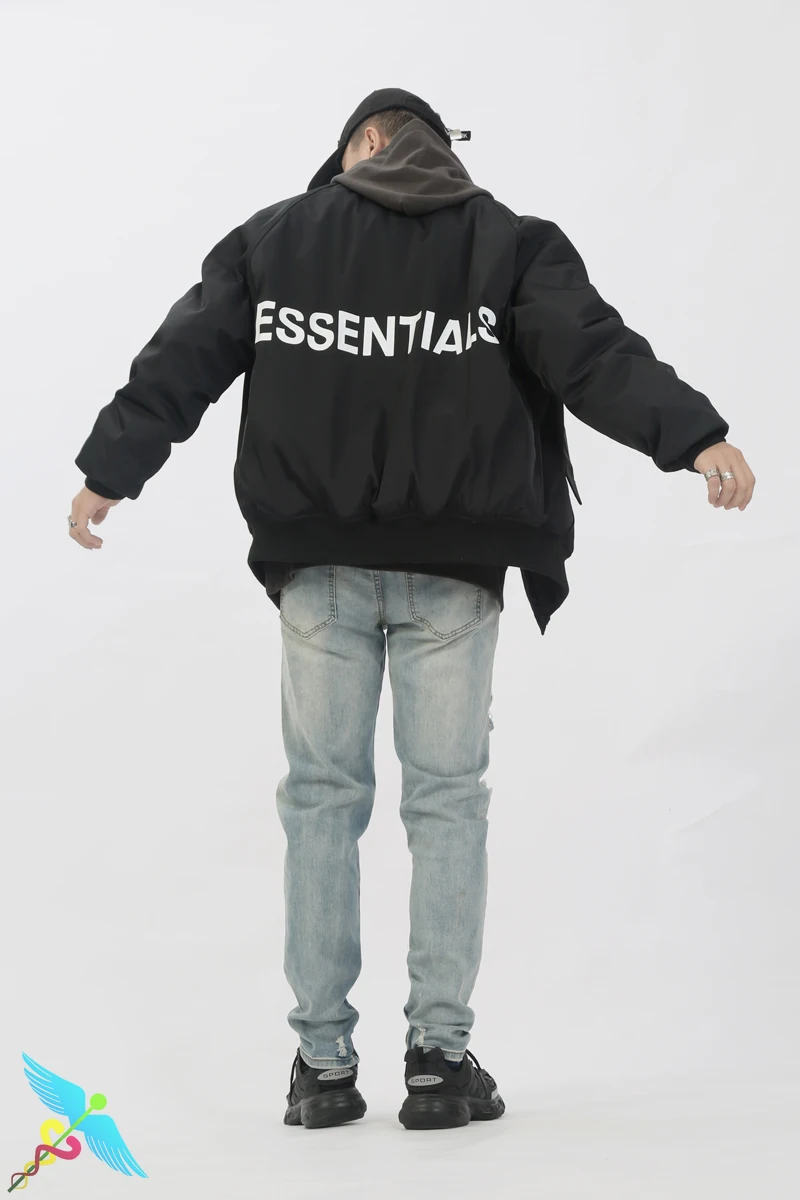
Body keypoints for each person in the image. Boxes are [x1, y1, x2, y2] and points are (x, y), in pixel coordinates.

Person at [69, 87, 756, 1132]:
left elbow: (183, 357)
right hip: (454, 572)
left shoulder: (277, 239)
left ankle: (322, 1068)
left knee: (320, 803)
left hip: (317, 569)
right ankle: (438, 1062)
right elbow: (593, 353)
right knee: (447, 805)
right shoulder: (509, 244)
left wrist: (108, 472)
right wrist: (696, 436)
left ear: (362, 143)